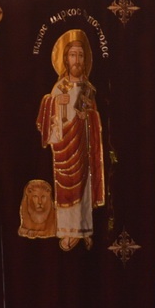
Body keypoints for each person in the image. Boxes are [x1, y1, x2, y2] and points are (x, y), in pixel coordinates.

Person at [36, 28, 104, 251]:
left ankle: (83, 229)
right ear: (65, 59)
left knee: (83, 189)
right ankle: (66, 230)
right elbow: (48, 121)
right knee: (66, 189)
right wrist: (56, 103)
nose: (77, 60)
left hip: (83, 148)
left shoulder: (88, 89)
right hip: (64, 149)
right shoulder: (59, 88)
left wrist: (89, 117)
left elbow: (95, 120)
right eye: (73, 55)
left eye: (81, 55)